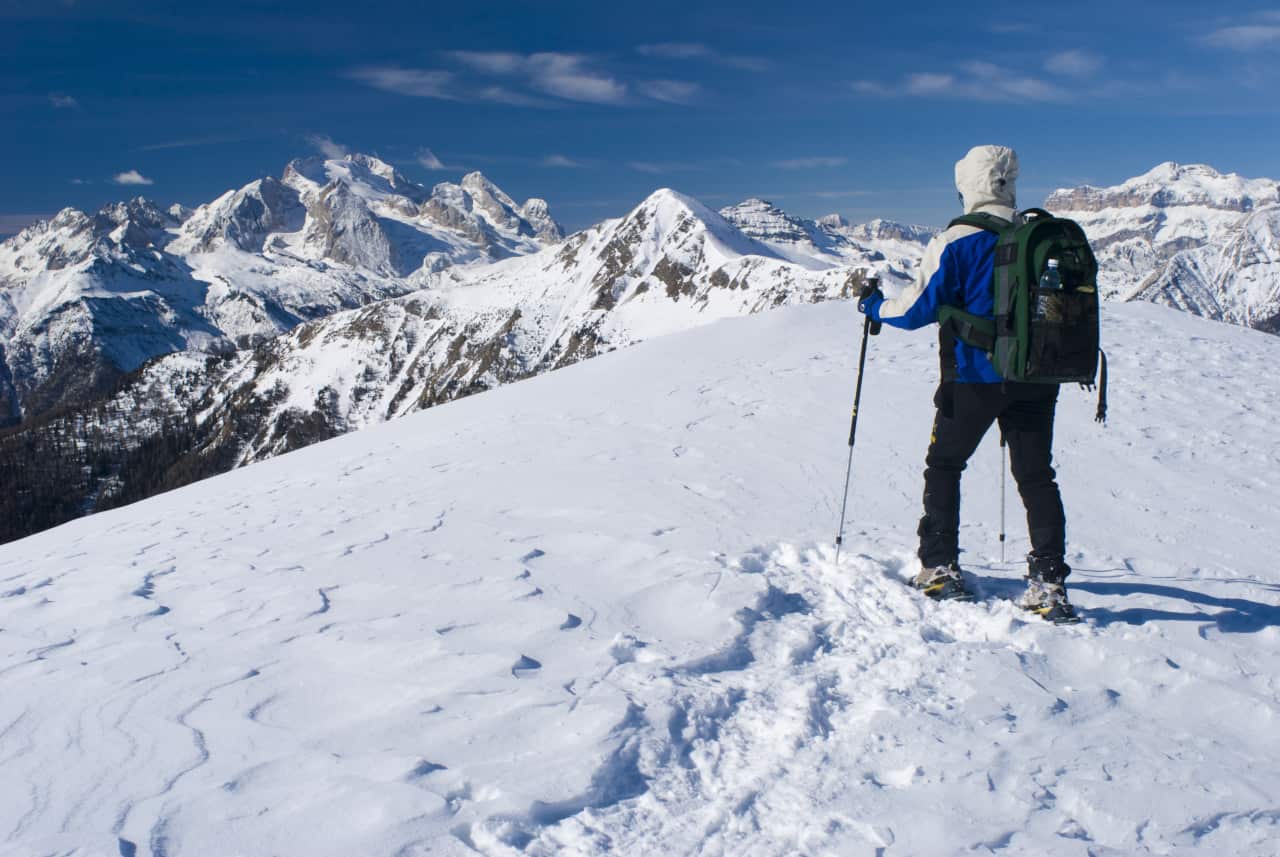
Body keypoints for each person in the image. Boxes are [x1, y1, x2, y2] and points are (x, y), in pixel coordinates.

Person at [857, 145, 1076, 622]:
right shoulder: (1037, 235)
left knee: (945, 465)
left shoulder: (957, 239)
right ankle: (1049, 583)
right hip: (1036, 377)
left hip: (973, 378)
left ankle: (939, 567)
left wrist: (873, 308)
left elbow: (916, 310)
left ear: (968, 186)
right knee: (1037, 476)